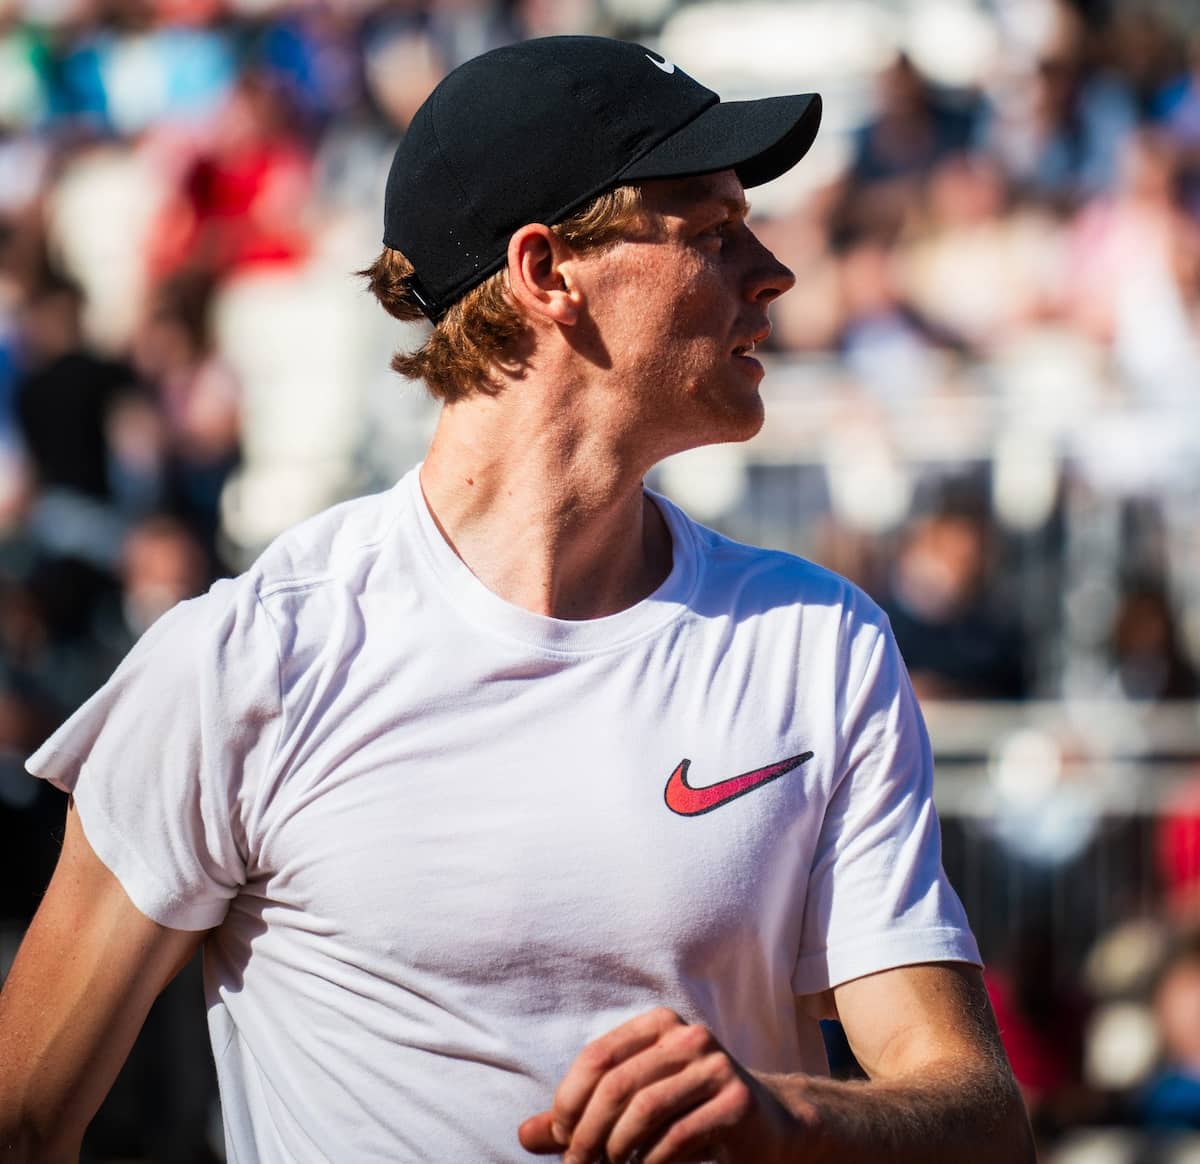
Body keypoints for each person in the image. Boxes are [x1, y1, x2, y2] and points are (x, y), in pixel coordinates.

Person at [0, 35, 1034, 1164]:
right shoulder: (248, 657)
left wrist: (789, 1120)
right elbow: (23, 1117)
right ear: (546, 272)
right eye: (711, 231)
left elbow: (980, 1119)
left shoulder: (819, 644)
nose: (773, 271)